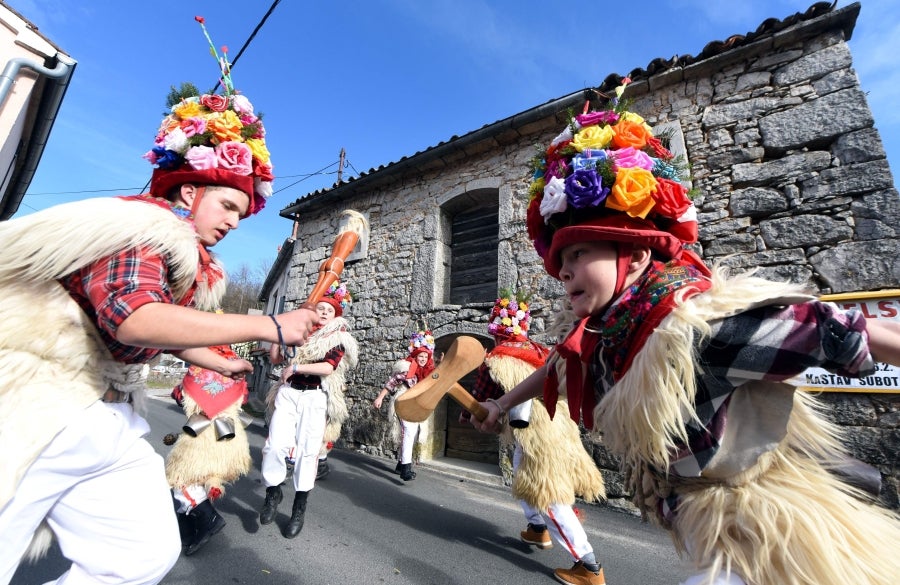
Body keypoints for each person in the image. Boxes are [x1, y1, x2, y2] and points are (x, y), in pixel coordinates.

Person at [471, 79, 900, 585]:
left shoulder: (695, 328)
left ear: (637, 255)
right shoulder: (612, 333)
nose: (563, 270)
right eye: (560, 258)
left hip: (764, 542)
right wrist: (500, 405)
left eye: (580, 253)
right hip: (702, 532)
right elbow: (559, 368)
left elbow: (841, 330)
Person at [0, 72, 318, 583]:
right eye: (228, 206)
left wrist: (215, 357)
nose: (236, 221)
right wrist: (271, 325)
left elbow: (145, 323)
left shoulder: (181, 256)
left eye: (242, 211)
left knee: (141, 554)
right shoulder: (142, 227)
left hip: (109, 417)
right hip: (41, 405)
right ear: (189, 191)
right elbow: (133, 318)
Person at [460, 290, 607, 585]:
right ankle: (537, 527)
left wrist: (467, 414)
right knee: (521, 471)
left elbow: (482, 397)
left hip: (538, 433)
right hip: (559, 428)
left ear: (496, 332)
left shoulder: (496, 359)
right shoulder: (540, 351)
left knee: (549, 495)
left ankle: (588, 566)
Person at [259, 281, 359, 538]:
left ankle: (298, 508)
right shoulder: (300, 332)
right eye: (321, 308)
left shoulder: (339, 337)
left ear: (337, 314)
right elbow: (276, 359)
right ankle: (273, 492)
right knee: (274, 445)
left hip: (315, 397)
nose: (325, 312)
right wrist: (277, 335)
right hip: (288, 394)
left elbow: (328, 367)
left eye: (330, 309)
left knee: (307, 452)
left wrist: (297, 368)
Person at [166, 343, 253, 556]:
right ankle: (186, 532)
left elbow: (179, 396)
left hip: (203, 436)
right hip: (229, 435)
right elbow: (244, 399)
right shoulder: (235, 370)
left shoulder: (198, 368)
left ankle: (209, 518)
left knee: (180, 480)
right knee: (202, 478)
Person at [373, 329, 437, 481]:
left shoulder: (429, 372)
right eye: (420, 356)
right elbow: (391, 383)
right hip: (404, 401)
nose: (422, 359)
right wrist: (380, 398)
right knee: (408, 432)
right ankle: (406, 470)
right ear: (415, 356)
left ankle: (401, 464)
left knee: (412, 434)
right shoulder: (407, 369)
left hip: (417, 404)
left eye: (425, 356)